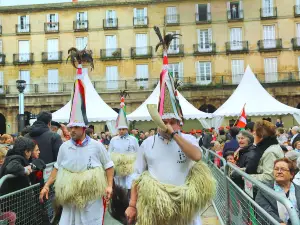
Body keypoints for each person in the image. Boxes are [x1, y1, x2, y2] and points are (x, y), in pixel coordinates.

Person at [125, 27, 215, 225]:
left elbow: (198, 156)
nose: (167, 124)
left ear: (179, 121)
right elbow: (137, 176)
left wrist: (174, 135)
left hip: (185, 208)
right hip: (157, 208)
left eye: (172, 120)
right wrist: (132, 204)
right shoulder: (147, 144)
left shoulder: (189, 140)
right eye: (164, 120)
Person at [39, 63, 114, 225]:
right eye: (71, 126)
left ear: (84, 128)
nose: (71, 130)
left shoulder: (97, 146)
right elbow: (57, 168)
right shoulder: (65, 147)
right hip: (71, 199)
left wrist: (109, 186)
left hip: (92, 199)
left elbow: (109, 166)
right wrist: (46, 185)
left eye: (75, 127)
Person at [109, 93, 139, 198]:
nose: (121, 131)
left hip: (131, 168)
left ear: (127, 129)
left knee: (130, 186)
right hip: (118, 168)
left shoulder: (133, 139)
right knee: (119, 187)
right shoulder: (113, 140)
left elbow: (138, 153)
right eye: (120, 129)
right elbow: (110, 154)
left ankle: (130, 202)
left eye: (123, 129)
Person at [256, 158, 300, 225]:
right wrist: (279, 223)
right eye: (276, 169)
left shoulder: (298, 189)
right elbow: (265, 211)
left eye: (283, 169)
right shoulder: (264, 190)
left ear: (291, 174)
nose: (279, 172)